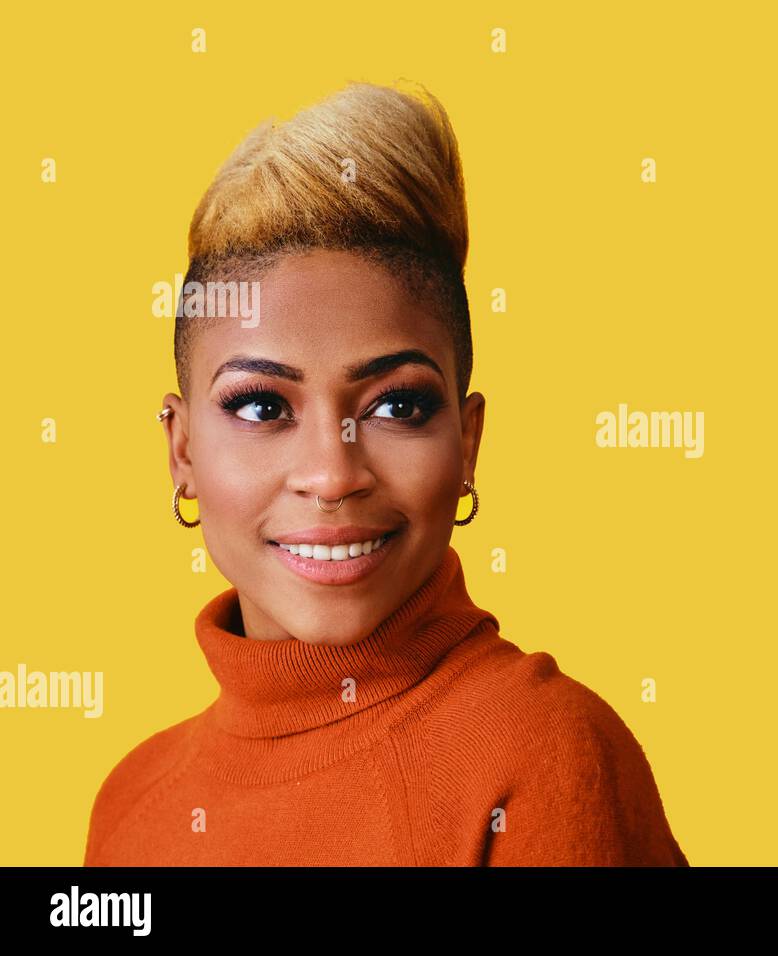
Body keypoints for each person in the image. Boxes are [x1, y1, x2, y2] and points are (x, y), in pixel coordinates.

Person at [82, 82, 688, 866]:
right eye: (263, 407)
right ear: (183, 451)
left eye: (397, 405)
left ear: (467, 445)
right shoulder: (130, 802)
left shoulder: (541, 754)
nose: (332, 475)